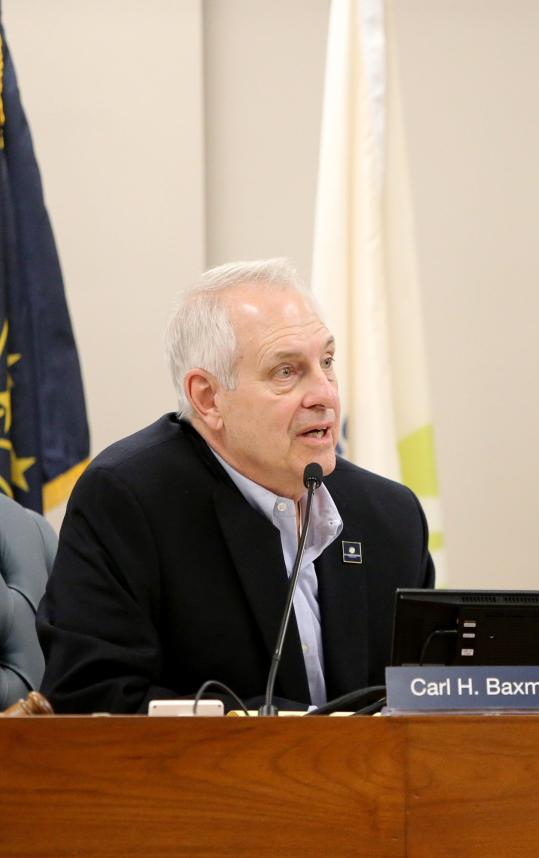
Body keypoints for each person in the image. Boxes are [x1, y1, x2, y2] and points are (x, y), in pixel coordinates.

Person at [37, 259, 435, 713]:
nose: (324, 393)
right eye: (287, 372)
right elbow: (91, 701)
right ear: (207, 399)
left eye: (326, 362)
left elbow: (429, 704)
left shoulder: (389, 515)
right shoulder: (130, 501)